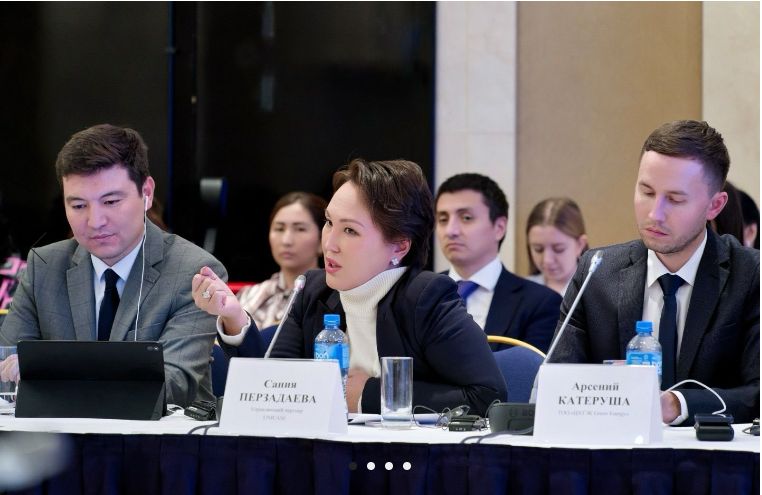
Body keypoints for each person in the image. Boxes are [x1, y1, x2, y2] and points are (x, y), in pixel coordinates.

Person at [193, 159, 507, 416]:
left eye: (350, 231)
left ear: (399, 246)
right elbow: (274, 383)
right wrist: (234, 316)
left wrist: (365, 394)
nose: (329, 243)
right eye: (329, 222)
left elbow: (487, 396)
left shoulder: (425, 297)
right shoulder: (314, 290)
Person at [0, 124, 227, 408]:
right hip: (57, 433)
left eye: (110, 201)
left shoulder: (193, 271)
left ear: (147, 192)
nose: (95, 221)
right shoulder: (44, 266)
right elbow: (6, 370)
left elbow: (172, 384)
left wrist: (54, 373)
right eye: (79, 206)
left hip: (155, 435)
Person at [550, 120, 759, 425]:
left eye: (675, 199)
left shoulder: (751, 275)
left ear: (714, 206)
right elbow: (558, 383)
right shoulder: (598, 271)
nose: (654, 213)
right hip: (615, 447)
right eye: (646, 192)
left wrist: (677, 404)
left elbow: (756, 394)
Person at [434, 173, 562, 353]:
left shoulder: (540, 303)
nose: (450, 231)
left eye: (466, 218)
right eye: (443, 219)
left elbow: (529, 368)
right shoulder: (419, 295)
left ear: (499, 228)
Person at [236, 192, 327, 331]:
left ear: (322, 240)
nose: (286, 240)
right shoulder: (249, 295)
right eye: (279, 229)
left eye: (300, 229)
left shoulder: (332, 298)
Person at [525, 197, 588, 296]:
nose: (547, 260)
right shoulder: (522, 290)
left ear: (580, 245)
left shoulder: (598, 293)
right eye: (538, 249)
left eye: (559, 249)